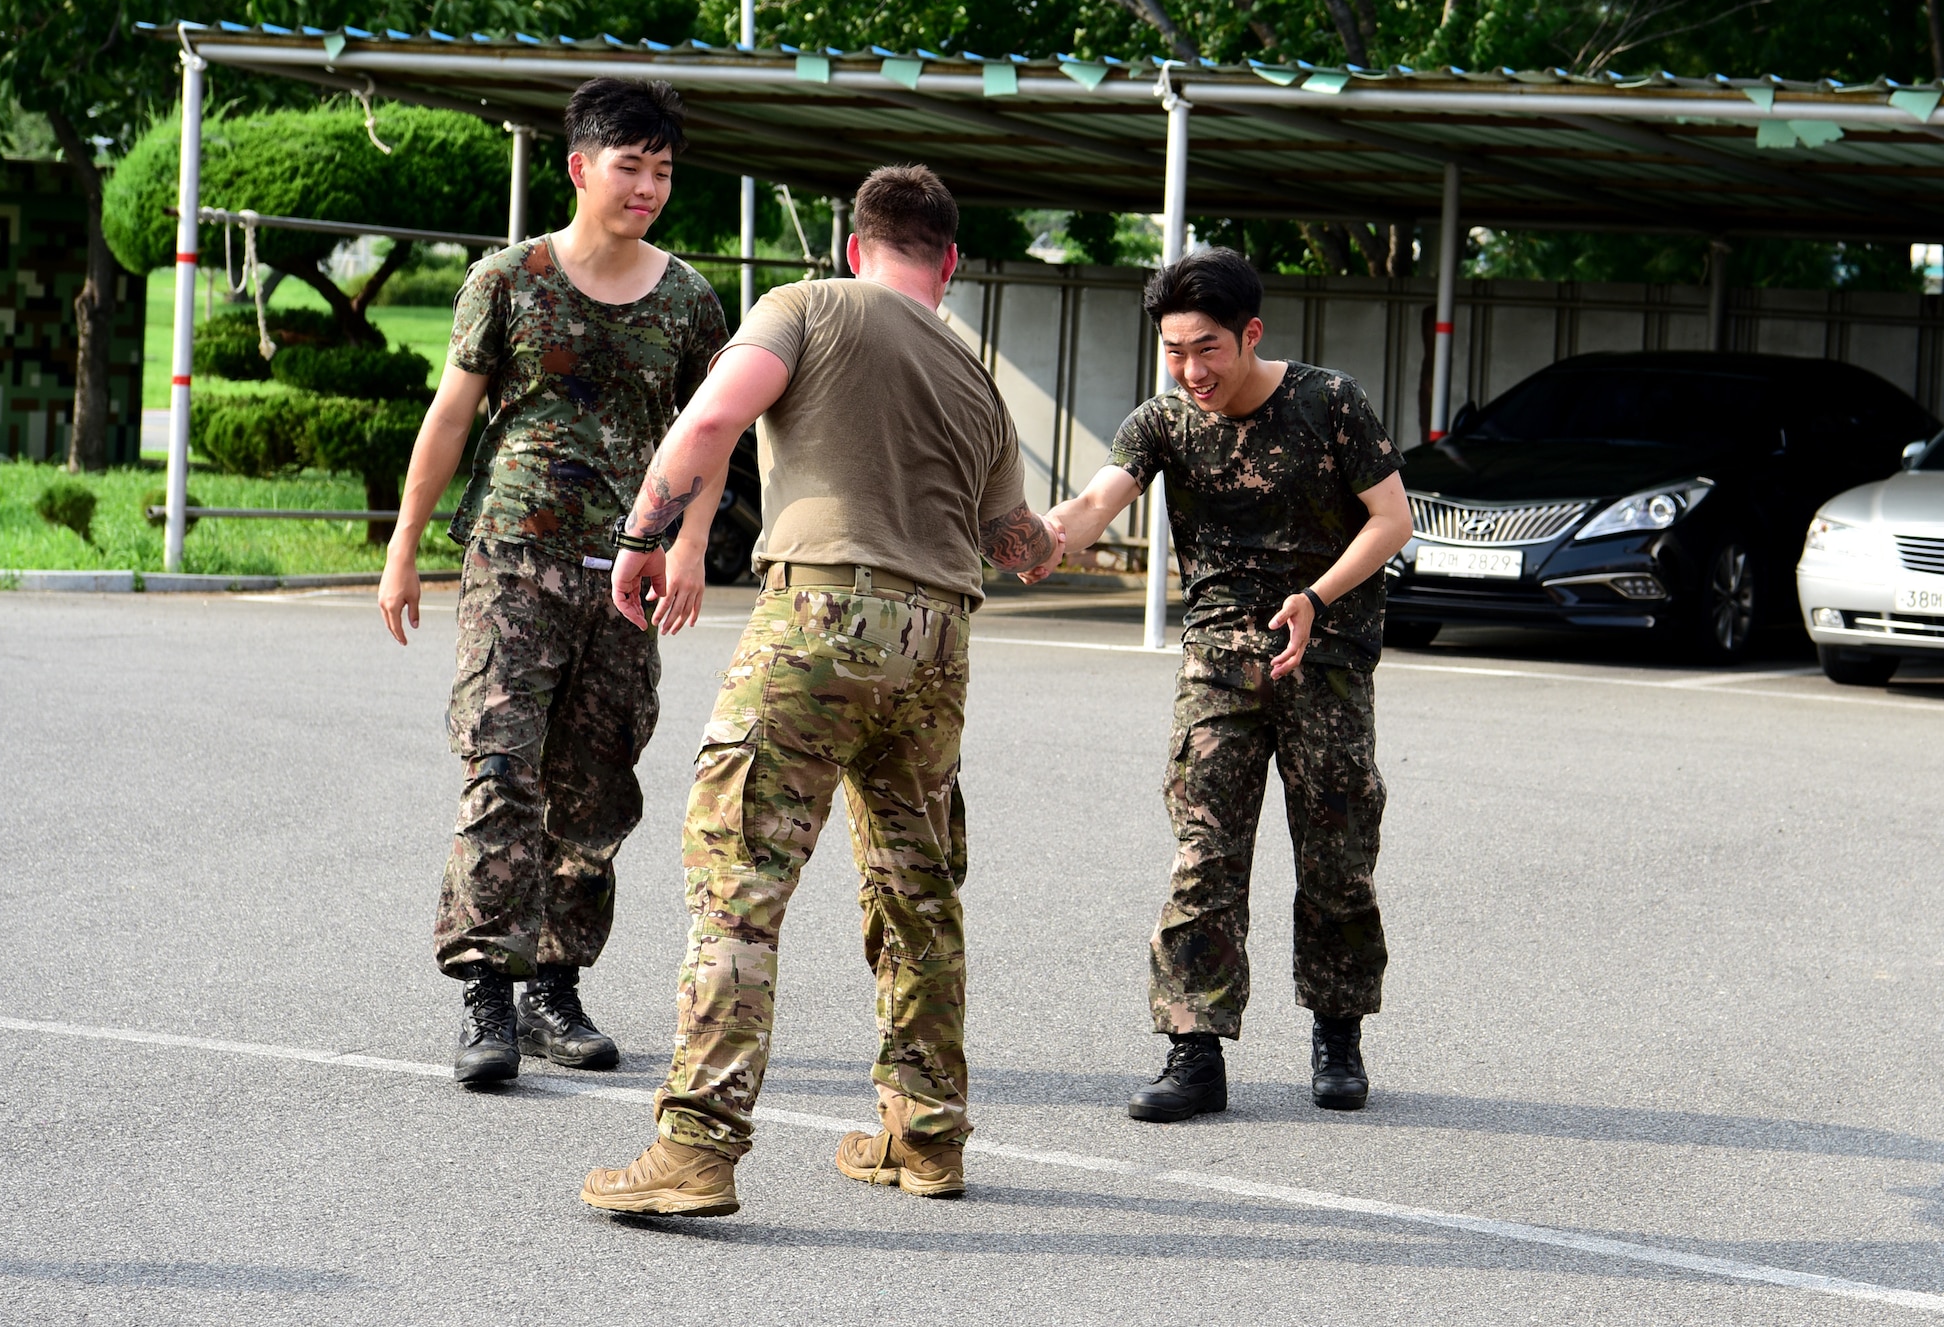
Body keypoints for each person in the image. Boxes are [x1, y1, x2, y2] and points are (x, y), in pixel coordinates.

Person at [575, 163, 1063, 1218]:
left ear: (856, 245)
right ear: (948, 264)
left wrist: (640, 534)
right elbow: (1020, 544)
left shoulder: (806, 305)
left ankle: (695, 1151)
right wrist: (1069, 521)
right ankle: (925, 1137)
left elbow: (713, 419)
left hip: (820, 620)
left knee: (738, 880)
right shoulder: (977, 382)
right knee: (916, 889)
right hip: (938, 642)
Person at [376, 78, 728, 1087]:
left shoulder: (688, 298)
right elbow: (449, 418)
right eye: (631, 166)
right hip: (512, 562)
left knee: (597, 784)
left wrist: (690, 543)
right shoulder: (510, 278)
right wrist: (405, 546)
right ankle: (486, 987)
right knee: (499, 767)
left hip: (625, 573)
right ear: (580, 166)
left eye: (663, 170)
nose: (648, 187)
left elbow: (709, 434)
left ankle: (554, 989)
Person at [1033, 247, 1412, 1121]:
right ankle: (1193, 1050)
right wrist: (1042, 536)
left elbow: (1391, 519)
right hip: (1218, 660)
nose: (1192, 370)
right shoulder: (1163, 420)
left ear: (1251, 335)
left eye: (1208, 348)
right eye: (1174, 350)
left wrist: (1315, 595)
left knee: (1338, 854)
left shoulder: (1329, 402)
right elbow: (1096, 503)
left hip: (1328, 656)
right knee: (1204, 852)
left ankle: (1338, 1031)